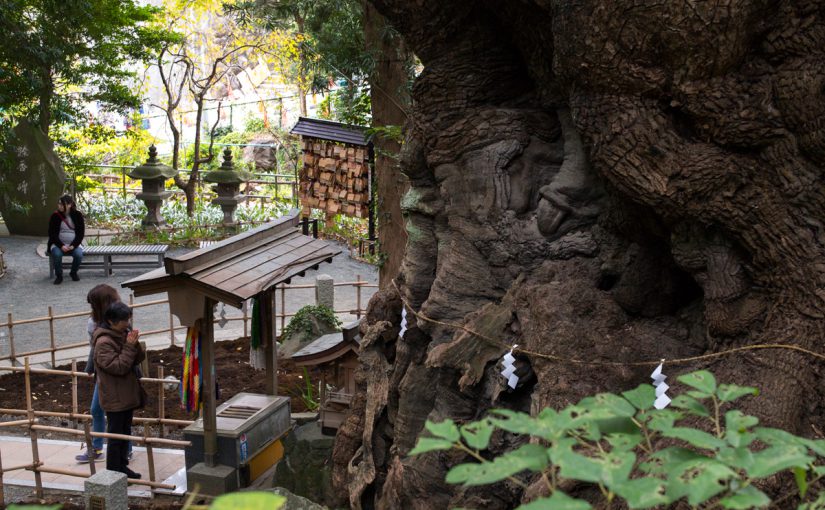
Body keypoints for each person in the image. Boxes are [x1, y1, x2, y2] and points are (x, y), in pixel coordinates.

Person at [76, 284, 133, 463]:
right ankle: (99, 446)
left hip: (117, 375)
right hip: (104, 373)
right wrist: (91, 368)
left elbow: (128, 350)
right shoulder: (95, 323)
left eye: (93, 304)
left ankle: (123, 450)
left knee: (119, 416)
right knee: (99, 410)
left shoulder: (119, 321)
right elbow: (95, 349)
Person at [93, 302, 144, 479]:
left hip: (126, 394)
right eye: (123, 320)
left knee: (125, 432)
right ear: (111, 321)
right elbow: (119, 367)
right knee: (116, 436)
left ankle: (122, 467)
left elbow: (137, 359)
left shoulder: (121, 334)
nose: (126, 323)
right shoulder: (103, 343)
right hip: (114, 397)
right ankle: (114, 471)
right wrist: (130, 346)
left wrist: (134, 344)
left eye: (127, 319)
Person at [47, 194, 85, 285]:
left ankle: (73, 272)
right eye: (59, 204)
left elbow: (80, 234)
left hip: (74, 244)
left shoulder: (78, 215)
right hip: (58, 244)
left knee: (79, 255)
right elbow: (52, 234)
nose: (59, 206)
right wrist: (61, 245)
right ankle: (59, 275)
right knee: (56, 254)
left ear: (69, 205)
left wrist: (73, 246)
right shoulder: (55, 216)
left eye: (62, 204)